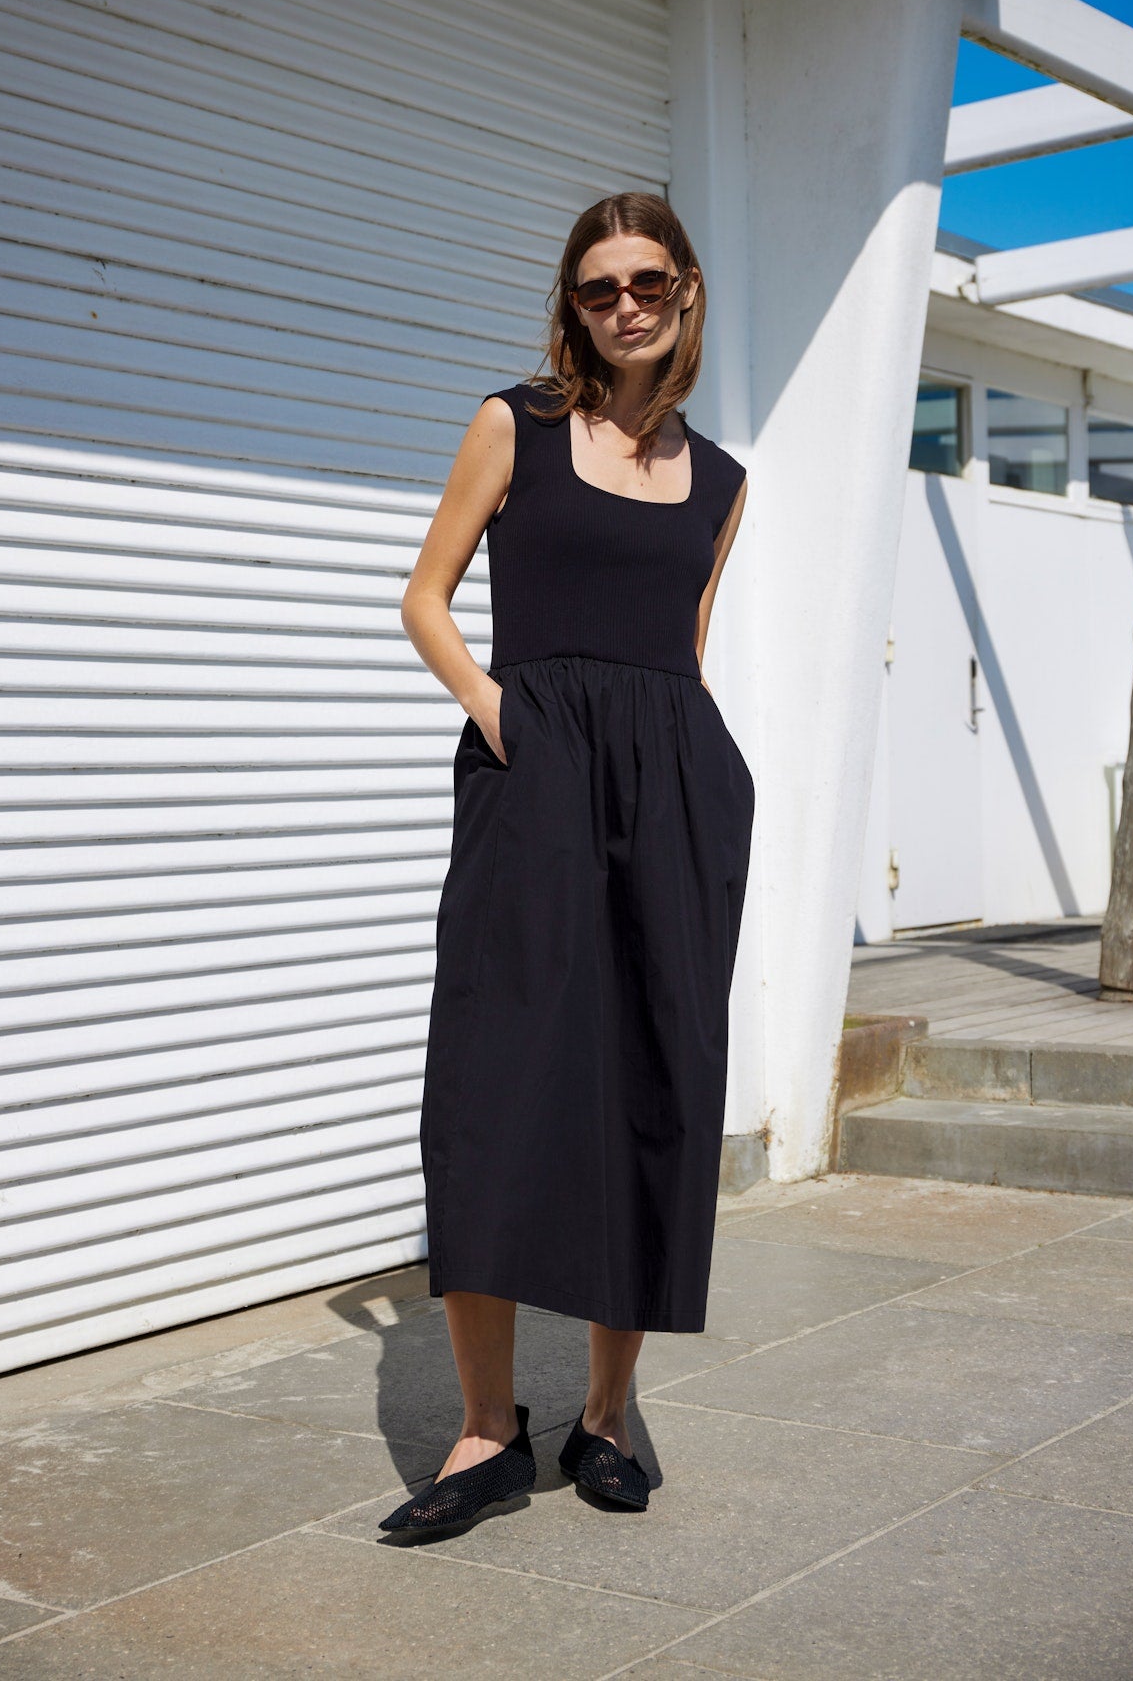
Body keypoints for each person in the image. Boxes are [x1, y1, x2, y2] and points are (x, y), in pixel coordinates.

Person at [383, 192, 754, 1535]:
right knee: (489, 1081)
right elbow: (425, 596)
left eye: (647, 281)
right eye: (599, 288)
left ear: (686, 288)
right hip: (532, 780)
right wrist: (500, 713)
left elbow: (685, 649)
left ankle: (606, 1414)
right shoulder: (518, 425)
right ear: (573, 305)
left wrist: (691, 776)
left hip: (674, 793)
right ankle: (487, 1433)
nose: (625, 306)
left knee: (650, 1081)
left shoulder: (723, 481)